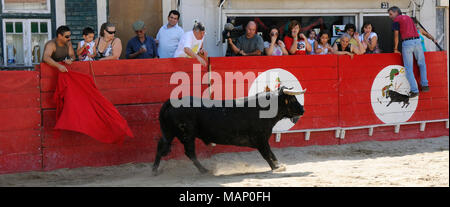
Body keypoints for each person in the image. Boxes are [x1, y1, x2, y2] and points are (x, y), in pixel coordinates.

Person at [389, 6, 429, 97]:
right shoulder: (408, 18)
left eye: (391, 14)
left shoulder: (396, 20)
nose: (390, 16)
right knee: (422, 64)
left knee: (408, 68)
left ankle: (414, 90)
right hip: (417, 41)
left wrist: (395, 48)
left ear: (396, 12)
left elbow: (396, 35)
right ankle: (425, 85)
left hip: (407, 43)